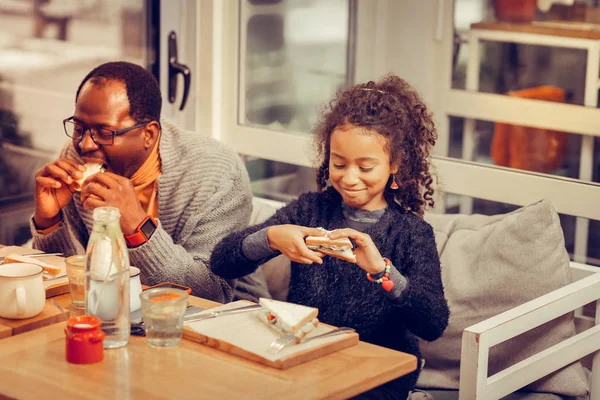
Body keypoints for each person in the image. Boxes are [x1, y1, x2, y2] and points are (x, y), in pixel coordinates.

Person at [210, 74, 450, 398]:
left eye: (365, 168)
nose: (349, 178)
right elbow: (222, 262)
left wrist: (382, 272)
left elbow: (433, 323)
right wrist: (270, 237)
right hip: (306, 358)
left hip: (379, 372)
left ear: (395, 164)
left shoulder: (411, 233)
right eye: (339, 163)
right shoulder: (310, 212)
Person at [31, 61, 252, 303]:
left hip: (220, 325)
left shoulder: (217, 172)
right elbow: (76, 280)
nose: (85, 144)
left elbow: (212, 293)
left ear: (148, 134)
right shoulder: (76, 156)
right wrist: (49, 223)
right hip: (114, 314)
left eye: (104, 133)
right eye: (79, 128)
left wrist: (138, 228)